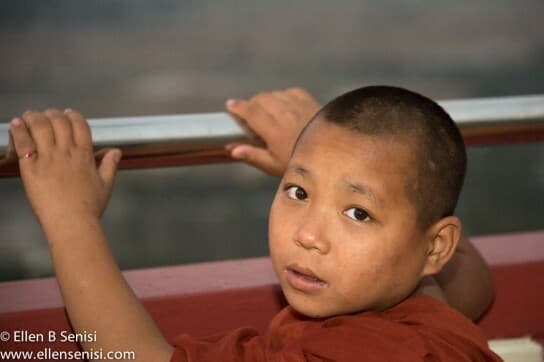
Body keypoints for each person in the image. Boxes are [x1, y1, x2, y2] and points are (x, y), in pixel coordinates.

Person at [7, 86, 500, 361]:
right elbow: (472, 287)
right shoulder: (426, 314)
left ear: (437, 247)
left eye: (358, 213)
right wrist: (334, 161)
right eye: (298, 191)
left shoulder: (353, 352)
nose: (307, 234)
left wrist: (70, 218)